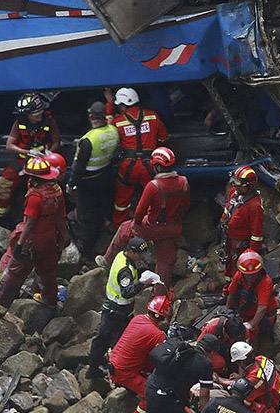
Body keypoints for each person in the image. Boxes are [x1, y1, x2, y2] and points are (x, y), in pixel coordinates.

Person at [0, 157, 68, 315]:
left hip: (33, 240)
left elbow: (30, 223)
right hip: (51, 237)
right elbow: (60, 217)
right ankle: (50, 299)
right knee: (47, 271)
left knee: (15, 273)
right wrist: (64, 236)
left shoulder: (35, 197)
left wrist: (20, 245)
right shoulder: (56, 191)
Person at [102, 147, 190, 286]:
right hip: (172, 227)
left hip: (153, 226)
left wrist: (136, 224)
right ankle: (161, 294)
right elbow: (185, 207)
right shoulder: (184, 182)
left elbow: (139, 212)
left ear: (158, 167)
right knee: (165, 260)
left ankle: (107, 261)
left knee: (125, 228)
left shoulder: (153, 186)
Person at [88, 237, 162, 379]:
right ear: (131, 251)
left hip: (117, 308)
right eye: (140, 255)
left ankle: (101, 365)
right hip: (116, 310)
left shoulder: (121, 255)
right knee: (114, 340)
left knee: (105, 338)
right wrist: (142, 282)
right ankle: (108, 370)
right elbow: (127, 292)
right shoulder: (124, 270)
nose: (141, 258)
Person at [108, 294, 173, 413]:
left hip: (115, 361)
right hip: (124, 371)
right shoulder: (157, 335)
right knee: (152, 395)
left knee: (148, 371)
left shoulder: (138, 319)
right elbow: (162, 359)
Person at [106, 86, 168, 227]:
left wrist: (109, 105)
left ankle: (119, 230)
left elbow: (107, 135)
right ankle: (152, 226)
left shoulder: (117, 121)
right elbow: (164, 139)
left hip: (127, 168)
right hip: (150, 166)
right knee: (153, 198)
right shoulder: (152, 116)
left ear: (122, 106)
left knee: (121, 203)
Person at [0, 92, 59, 218]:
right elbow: (10, 145)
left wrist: (49, 153)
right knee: (2, 185)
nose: (39, 115)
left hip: (44, 162)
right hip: (23, 161)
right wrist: (28, 152)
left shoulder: (50, 122)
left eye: (40, 112)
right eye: (35, 114)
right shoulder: (19, 124)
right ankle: (0, 215)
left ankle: (48, 214)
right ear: (27, 114)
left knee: (49, 188)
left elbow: (56, 141)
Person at [69, 101, 120, 258]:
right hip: (104, 176)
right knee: (102, 208)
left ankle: (85, 250)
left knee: (86, 215)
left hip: (87, 182)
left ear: (90, 116)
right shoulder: (113, 131)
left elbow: (79, 166)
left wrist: (71, 185)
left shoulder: (88, 140)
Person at [224, 250, 278, 342]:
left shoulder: (265, 282)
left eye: (253, 275)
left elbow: (262, 308)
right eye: (248, 275)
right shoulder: (239, 276)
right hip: (245, 311)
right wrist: (227, 313)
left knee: (252, 337)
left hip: (263, 316)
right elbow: (231, 294)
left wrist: (252, 325)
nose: (251, 278)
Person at [220, 165, 264, 278]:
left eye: (239, 185)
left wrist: (250, 255)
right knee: (228, 268)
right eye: (234, 183)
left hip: (241, 247)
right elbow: (228, 211)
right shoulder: (235, 192)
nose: (236, 187)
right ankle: (227, 291)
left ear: (249, 186)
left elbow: (257, 234)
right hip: (229, 241)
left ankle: (236, 294)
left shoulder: (255, 206)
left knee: (238, 273)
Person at [199, 311, 247, 376]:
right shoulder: (211, 328)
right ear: (224, 332)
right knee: (219, 363)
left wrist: (241, 375)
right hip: (212, 349)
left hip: (226, 346)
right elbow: (199, 349)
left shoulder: (241, 330)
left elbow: (244, 352)